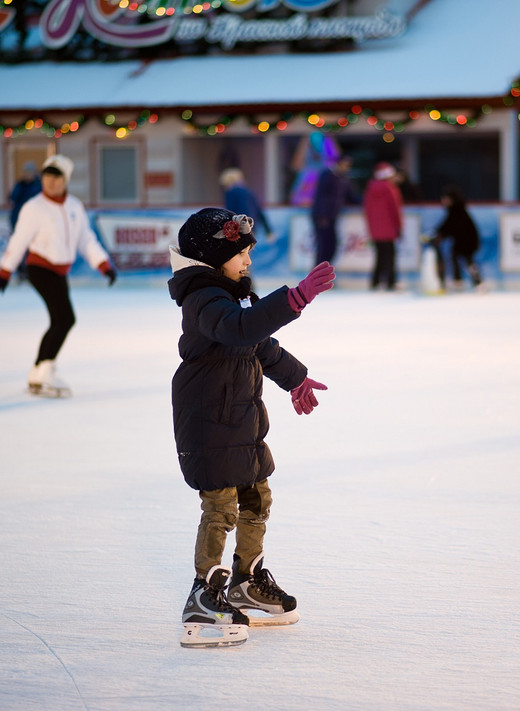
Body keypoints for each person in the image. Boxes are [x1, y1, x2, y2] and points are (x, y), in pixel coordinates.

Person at [168, 207, 335, 648]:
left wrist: (295, 377)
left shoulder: (230, 298)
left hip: (240, 423)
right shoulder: (203, 299)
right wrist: (292, 300)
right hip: (208, 423)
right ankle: (205, 593)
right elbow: (240, 329)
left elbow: (260, 344)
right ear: (212, 258)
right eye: (241, 254)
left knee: (256, 497)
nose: (248, 261)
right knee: (221, 507)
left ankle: (245, 579)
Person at [0, 154, 117, 397]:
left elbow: (85, 239)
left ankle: (39, 371)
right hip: (40, 267)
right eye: (47, 178)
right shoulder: (34, 208)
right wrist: (5, 270)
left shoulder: (74, 206)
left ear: (65, 180)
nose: (51, 183)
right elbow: (19, 240)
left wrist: (103, 264)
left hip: (59, 271)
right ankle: (44, 370)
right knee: (64, 318)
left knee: (60, 319)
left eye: (56, 178)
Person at [311, 154, 361, 266]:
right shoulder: (327, 175)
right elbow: (321, 196)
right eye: (345, 164)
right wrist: (322, 216)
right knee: (323, 246)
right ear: (339, 163)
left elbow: (351, 196)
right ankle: (316, 275)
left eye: (349, 165)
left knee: (331, 247)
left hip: (333, 217)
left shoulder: (344, 179)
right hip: (322, 217)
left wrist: (366, 202)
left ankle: (323, 272)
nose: (347, 167)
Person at [431, 186, 482, 290]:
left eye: (446, 198)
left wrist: (440, 234)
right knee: (459, 258)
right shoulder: (455, 210)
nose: (443, 201)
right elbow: (447, 225)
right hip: (463, 241)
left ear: (451, 199)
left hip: (468, 241)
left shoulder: (457, 211)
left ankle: (472, 281)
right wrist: (438, 233)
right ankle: (461, 280)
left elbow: (451, 226)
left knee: (468, 261)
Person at [363, 162, 403, 291]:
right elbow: (395, 210)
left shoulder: (370, 189)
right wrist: (399, 227)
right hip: (389, 228)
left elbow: (367, 210)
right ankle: (390, 282)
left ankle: (375, 281)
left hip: (375, 229)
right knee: (390, 255)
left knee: (380, 255)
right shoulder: (391, 189)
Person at [219, 168, 274, 242]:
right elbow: (259, 211)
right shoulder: (248, 191)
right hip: (250, 227)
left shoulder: (231, 192)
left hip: (238, 228)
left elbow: (229, 211)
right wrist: (268, 231)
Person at [8, 161, 42, 280]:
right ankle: (21, 271)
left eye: (30, 172)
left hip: (34, 222)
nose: (28, 175)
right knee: (19, 247)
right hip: (18, 221)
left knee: (33, 248)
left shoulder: (38, 185)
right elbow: (12, 197)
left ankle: (32, 271)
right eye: (26, 172)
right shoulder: (20, 185)